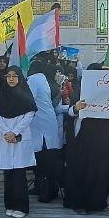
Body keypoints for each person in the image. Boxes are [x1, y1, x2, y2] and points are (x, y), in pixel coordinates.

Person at [64, 63, 109, 214]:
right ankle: (80, 204)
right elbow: (71, 112)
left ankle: (98, 202)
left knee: (101, 171)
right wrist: (76, 108)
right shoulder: (81, 89)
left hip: (104, 138)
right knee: (83, 171)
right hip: (84, 139)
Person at [0, 66, 37, 218]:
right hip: (5, 137)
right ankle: (9, 204)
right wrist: (6, 132)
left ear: (20, 78)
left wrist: (14, 132)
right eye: (8, 76)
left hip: (19, 136)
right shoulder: (0, 96)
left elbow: (29, 115)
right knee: (8, 173)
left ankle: (21, 206)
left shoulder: (26, 95)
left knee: (19, 173)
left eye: (15, 76)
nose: (11, 79)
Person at [27, 54, 69, 203]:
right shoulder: (46, 80)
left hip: (40, 127)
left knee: (44, 161)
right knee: (46, 160)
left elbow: (27, 100)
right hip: (45, 125)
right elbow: (54, 107)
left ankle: (47, 190)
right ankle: (43, 188)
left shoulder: (34, 79)